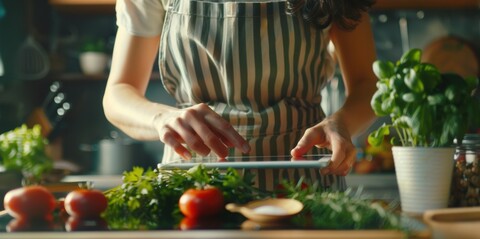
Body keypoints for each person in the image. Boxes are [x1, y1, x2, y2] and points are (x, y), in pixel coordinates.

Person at [103, 0, 378, 190]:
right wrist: (162, 118)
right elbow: (118, 93)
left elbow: (367, 83)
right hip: (194, 191)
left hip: (305, 187)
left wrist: (341, 122)